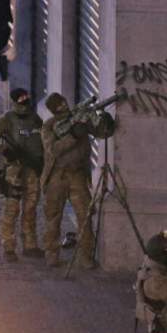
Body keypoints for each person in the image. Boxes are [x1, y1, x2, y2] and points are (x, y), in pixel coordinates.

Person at [40, 92, 115, 268]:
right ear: (53, 110)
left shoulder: (78, 117)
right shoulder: (49, 126)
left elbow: (102, 132)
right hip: (57, 176)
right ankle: (52, 254)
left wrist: (103, 118)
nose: (64, 106)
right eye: (59, 105)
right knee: (53, 217)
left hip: (78, 175)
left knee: (85, 216)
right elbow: (54, 150)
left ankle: (85, 257)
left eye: (64, 102)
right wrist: (73, 136)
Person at [0, 88, 45, 262]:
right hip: (14, 171)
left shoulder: (35, 119)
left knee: (31, 207)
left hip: (33, 170)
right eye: (21, 98)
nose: (24, 100)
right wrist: (5, 151)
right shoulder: (7, 120)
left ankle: (30, 245)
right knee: (12, 209)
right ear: (14, 101)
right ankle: (9, 247)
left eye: (26, 97)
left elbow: (43, 140)